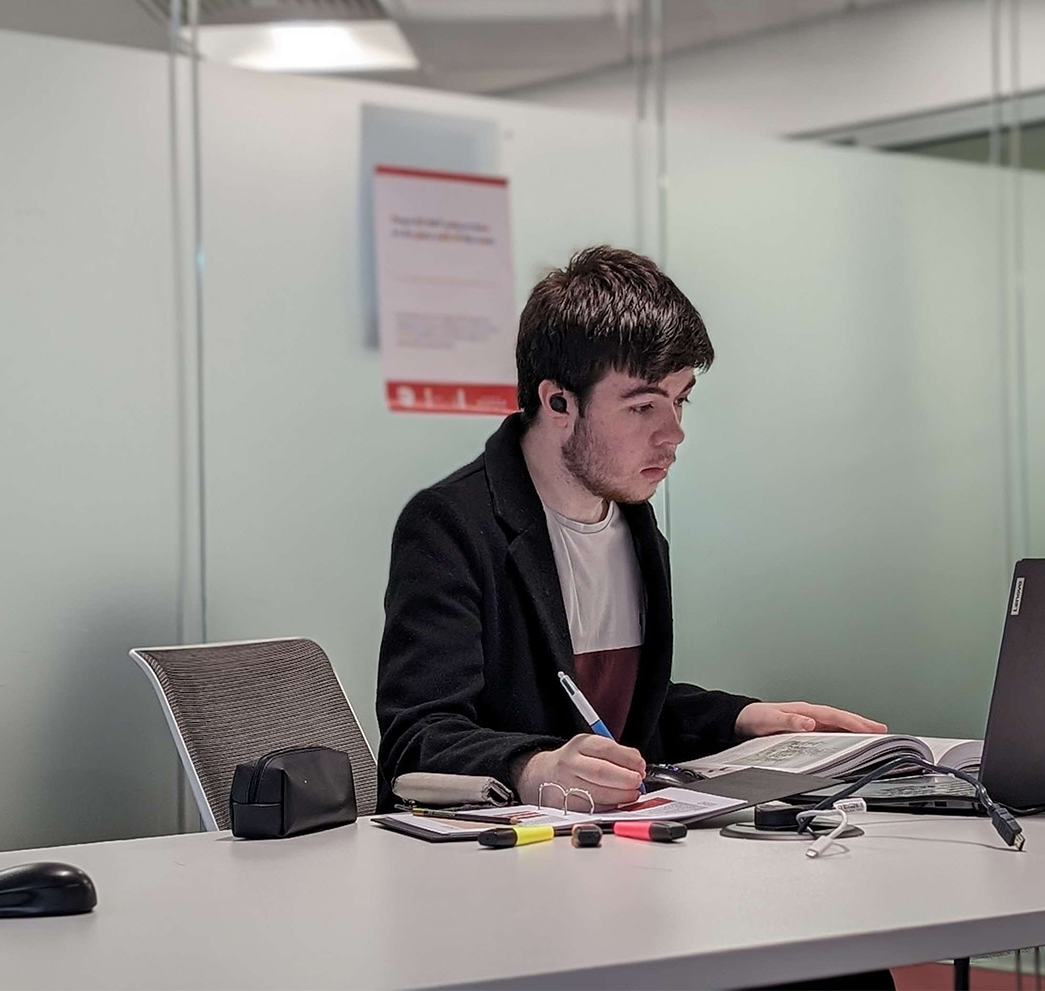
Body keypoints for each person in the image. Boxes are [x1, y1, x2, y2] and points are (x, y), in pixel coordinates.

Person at [376, 245, 884, 812]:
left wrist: (741, 720)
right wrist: (533, 767)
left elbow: (619, 714)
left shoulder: (632, 520)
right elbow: (415, 743)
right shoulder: (452, 526)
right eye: (644, 407)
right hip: (492, 863)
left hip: (619, 854)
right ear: (559, 401)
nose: (673, 435)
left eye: (680, 401)